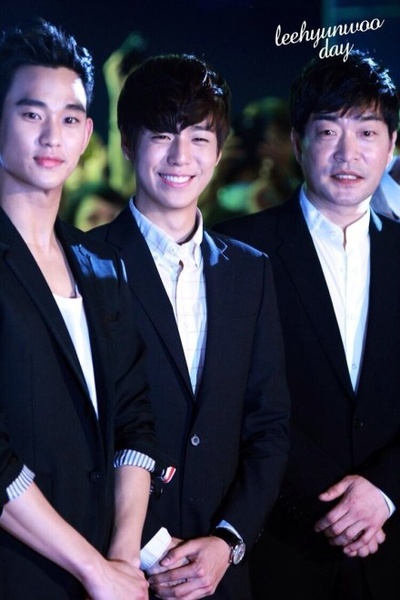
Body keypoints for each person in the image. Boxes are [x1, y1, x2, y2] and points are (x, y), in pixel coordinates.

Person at [90, 53, 290, 599]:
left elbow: (269, 424)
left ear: (219, 151)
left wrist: (228, 541)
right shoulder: (85, 264)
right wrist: (143, 550)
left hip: (221, 573)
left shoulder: (250, 271)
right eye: (162, 135)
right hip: (119, 569)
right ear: (128, 143)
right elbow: (77, 436)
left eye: (199, 138)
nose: (181, 156)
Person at [214, 50, 400, 599]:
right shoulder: (236, 250)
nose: (348, 153)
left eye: (367, 132)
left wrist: (383, 492)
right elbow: (230, 396)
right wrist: (336, 507)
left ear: (392, 144)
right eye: (328, 132)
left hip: (392, 542)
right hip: (283, 545)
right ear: (298, 143)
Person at [0, 19, 166, 600]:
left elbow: (135, 419)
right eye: (31, 114)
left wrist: (120, 559)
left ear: (88, 132)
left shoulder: (101, 267)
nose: (52, 136)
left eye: (70, 119)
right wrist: (93, 568)